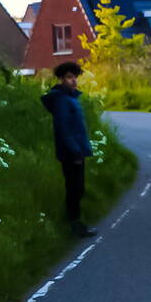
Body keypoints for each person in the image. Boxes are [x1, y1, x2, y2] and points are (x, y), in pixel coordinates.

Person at [41, 62, 96, 237]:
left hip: (75, 150)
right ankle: (74, 225)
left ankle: (74, 223)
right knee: (75, 189)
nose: (74, 81)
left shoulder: (70, 97)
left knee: (77, 188)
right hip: (71, 153)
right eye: (69, 77)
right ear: (61, 79)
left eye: (75, 77)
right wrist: (75, 151)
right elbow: (63, 128)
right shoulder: (62, 100)